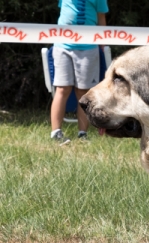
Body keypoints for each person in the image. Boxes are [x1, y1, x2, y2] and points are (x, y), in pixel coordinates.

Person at [50, 0, 109, 144]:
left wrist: (103, 44)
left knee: (83, 93)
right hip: (62, 46)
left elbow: (101, 19)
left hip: (89, 48)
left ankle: (82, 134)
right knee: (62, 89)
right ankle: (56, 132)